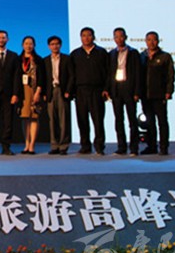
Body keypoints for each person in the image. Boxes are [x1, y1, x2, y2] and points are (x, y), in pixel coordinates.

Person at [70, 27, 109, 155]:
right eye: (83, 35)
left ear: (93, 37)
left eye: (89, 35)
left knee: (98, 120)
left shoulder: (101, 52)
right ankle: (85, 146)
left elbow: (108, 72)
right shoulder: (75, 54)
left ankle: (99, 146)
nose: (86, 38)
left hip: (97, 90)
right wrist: (72, 91)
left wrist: (106, 89)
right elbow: (71, 74)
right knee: (82, 120)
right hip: (80, 91)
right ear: (80, 38)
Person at [140, 31, 175, 155]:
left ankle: (164, 147)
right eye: (149, 40)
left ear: (158, 41)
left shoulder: (165, 56)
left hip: (160, 94)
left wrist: (169, 91)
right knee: (149, 122)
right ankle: (151, 146)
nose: (151, 42)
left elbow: (170, 75)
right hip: (145, 94)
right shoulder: (142, 56)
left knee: (162, 122)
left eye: (154, 39)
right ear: (145, 41)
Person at [108, 27, 142, 156]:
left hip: (130, 89)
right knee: (118, 120)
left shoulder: (133, 52)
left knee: (132, 120)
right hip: (116, 89)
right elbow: (109, 73)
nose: (119, 39)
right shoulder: (111, 54)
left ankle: (134, 148)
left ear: (126, 37)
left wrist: (137, 92)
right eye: (116, 37)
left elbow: (138, 73)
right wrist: (108, 89)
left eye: (121, 36)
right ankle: (121, 147)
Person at [43, 36, 74, 155]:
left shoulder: (67, 58)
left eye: (57, 44)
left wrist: (68, 90)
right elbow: (43, 78)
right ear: (48, 46)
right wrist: (45, 93)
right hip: (51, 91)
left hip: (62, 90)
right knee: (52, 120)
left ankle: (63, 146)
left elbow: (71, 76)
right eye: (52, 44)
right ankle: (54, 145)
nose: (55, 46)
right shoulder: (45, 60)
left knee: (63, 119)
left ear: (60, 45)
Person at [17, 36, 46, 154]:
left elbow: (42, 77)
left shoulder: (39, 60)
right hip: (23, 91)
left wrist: (38, 92)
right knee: (25, 118)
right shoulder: (18, 59)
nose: (28, 46)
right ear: (22, 45)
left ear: (34, 45)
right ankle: (26, 144)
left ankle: (32, 145)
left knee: (34, 117)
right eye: (26, 43)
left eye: (31, 43)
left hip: (34, 90)